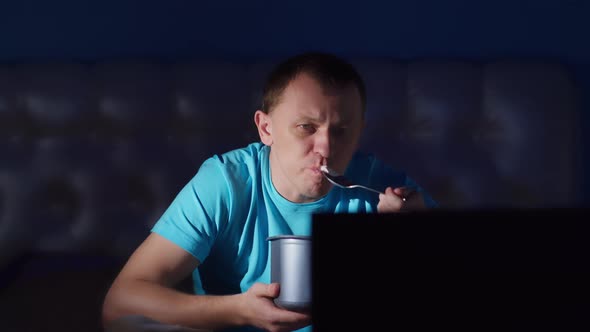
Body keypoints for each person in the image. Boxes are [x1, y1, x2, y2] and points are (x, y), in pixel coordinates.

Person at [102, 52, 438, 332]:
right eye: (307, 127)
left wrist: (413, 241)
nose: (326, 146)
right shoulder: (226, 183)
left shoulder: (386, 191)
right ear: (266, 128)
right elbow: (121, 303)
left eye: (342, 130)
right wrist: (239, 310)